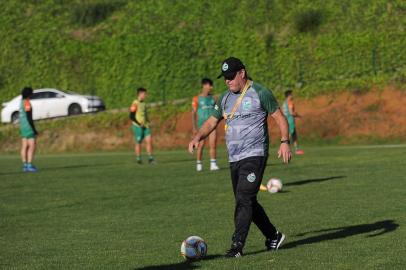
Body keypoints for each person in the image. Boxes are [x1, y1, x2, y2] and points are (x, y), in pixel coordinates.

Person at [188, 57, 292, 258]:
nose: (228, 81)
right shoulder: (225, 99)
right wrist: (197, 137)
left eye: (231, 76)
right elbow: (211, 122)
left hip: (255, 154)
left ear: (242, 73)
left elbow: (280, 118)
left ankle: (237, 245)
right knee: (247, 201)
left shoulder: (260, 92)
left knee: (244, 198)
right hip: (234, 158)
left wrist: (285, 141)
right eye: (225, 77)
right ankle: (273, 236)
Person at [191, 78, 220, 171]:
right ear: (204, 85)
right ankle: (199, 164)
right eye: (209, 85)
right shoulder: (196, 99)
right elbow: (193, 113)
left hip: (212, 125)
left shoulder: (214, 98)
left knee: (213, 144)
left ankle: (213, 164)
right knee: (200, 145)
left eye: (211, 85)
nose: (211, 87)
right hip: (201, 126)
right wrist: (194, 127)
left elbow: (217, 110)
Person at [129, 87, 155, 164]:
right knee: (139, 142)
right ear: (140, 94)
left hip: (145, 126)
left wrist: (149, 122)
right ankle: (138, 159)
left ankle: (150, 158)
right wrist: (138, 124)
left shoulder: (144, 104)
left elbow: (145, 115)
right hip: (137, 126)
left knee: (149, 140)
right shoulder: (135, 103)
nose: (145, 95)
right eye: (144, 94)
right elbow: (131, 116)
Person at [19, 87, 38, 172]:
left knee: (24, 146)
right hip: (28, 127)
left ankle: (25, 165)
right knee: (32, 146)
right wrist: (34, 129)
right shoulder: (27, 102)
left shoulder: (21, 102)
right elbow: (29, 117)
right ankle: (29, 165)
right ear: (29, 94)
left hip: (22, 126)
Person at [282, 90, 304, 155]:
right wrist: (298, 115)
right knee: (290, 135)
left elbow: (284, 112)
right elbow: (291, 113)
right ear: (289, 96)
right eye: (291, 94)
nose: (292, 96)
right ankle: (287, 149)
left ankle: (296, 149)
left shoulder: (284, 103)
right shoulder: (290, 102)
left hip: (285, 120)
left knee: (293, 135)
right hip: (290, 120)